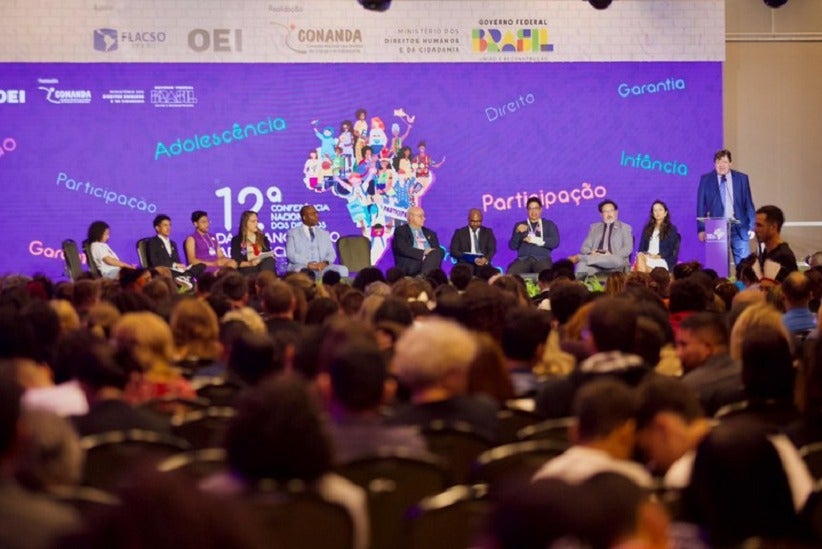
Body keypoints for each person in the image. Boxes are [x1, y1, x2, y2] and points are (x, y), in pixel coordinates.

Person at [696, 149, 756, 267]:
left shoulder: (742, 178)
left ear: (730, 163)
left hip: (739, 226)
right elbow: (701, 206)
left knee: (745, 266)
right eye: (718, 162)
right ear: (714, 164)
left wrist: (752, 226)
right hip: (717, 228)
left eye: (724, 162)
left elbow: (748, 203)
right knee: (718, 266)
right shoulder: (706, 180)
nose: (721, 165)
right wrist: (701, 229)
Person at [571, 199, 632, 279]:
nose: (609, 214)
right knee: (581, 265)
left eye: (611, 211)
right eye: (605, 211)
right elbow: (584, 248)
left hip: (615, 261)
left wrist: (611, 255)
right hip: (596, 262)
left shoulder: (625, 227)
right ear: (601, 214)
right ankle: (580, 287)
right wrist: (591, 252)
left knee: (617, 260)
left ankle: (581, 258)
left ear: (616, 212)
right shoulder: (594, 228)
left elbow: (628, 248)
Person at [286, 205, 349, 278]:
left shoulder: (324, 233)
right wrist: (308, 264)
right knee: (302, 271)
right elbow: (291, 254)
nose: (316, 216)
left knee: (342, 270)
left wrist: (325, 263)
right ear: (304, 217)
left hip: (321, 266)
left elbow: (331, 253)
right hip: (302, 266)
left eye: (317, 213)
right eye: (313, 214)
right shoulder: (293, 233)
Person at [146, 214, 205, 288]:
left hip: (177, 270)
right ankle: (185, 278)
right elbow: (155, 262)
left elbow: (177, 260)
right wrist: (175, 265)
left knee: (201, 265)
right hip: (166, 270)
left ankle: (186, 276)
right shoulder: (153, 242)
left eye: (170, 225)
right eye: (165, 225)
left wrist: (181, 266)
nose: (168, 228)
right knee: (173, 273)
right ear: (157, 228)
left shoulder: (173, 243)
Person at [507, 196, 559, 275]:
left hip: (542, 259)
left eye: (536, 208)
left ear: (541, 210)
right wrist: (517, 232)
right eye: (530, 208)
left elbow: (555, 242)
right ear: (527, 210)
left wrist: (535, 240)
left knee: (547, 275)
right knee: (511, 274)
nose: (533, 211)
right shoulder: (520, 225)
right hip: (523, 260)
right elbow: (512, 246)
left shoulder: (549, 224)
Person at [391, 206, 444, 276]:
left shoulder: (430, 233)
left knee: (439, 251)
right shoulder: (401, 231)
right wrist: (424, 252)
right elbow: (402, 249)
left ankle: (423, 277)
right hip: (411, 262)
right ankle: (425, 277)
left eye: (424, 216)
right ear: (411, 217)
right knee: (432, 261)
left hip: (430, 259)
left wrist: (429, 255)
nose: (424, 219)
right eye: (420, 216)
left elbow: (436, 250)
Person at [752, 204, 798, 284]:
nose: (755, 229)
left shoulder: (784, 257)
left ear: (773, 227)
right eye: (755, 225)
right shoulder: (766, 252)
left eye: (759, 225)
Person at [636, 199, 680, 272]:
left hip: (662, 259)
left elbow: (671, 248)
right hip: (647, 257)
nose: (657, 212)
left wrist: (658, 256)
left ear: (665, 213)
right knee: (640, 257)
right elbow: (642, 246)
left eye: (660, 210)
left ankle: (645, 275)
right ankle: (648, 273)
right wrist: (644, 254)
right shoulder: (647, 228)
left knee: (642, 266)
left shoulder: (671, 229)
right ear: (652, 213)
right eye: (655, 210)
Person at [449, 208, 497, 273]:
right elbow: (453, 251)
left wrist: (486, 259)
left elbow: (492, 249)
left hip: (482, 261)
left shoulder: (488, 232)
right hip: (465, 262)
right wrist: (472, 259)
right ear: (468, 219)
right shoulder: (459, 233)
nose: (476, 224)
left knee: (490, 272)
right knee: (464, 272)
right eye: (473, 221)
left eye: (479, 221)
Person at [230, 210, 275, 276]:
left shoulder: (263, 238)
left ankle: (264, 279)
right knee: (250, 269)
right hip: (248, 268)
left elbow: (267, 253)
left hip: (262, 266)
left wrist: (269, 255)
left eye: (257, 221)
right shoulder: (236, 240)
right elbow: (236, 260)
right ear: (245, 223)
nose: (256, 224)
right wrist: (250, 263)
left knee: (270, 260)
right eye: (253, 221)